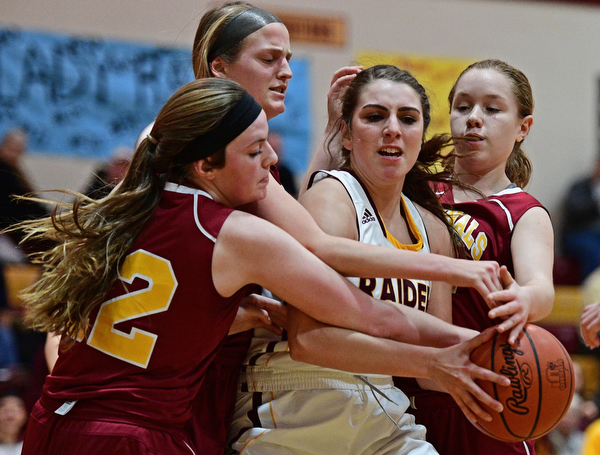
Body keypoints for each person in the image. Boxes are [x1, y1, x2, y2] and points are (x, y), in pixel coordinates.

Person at [16, 78, 504, 455]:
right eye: (255, 152)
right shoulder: (237, 233)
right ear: (205, 166)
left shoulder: (135, 204)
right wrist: (473, 344)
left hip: (55, 419)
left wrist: (231, 314)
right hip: (136, 435)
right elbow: (372, 314)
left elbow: (158, 313)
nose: (271, 160)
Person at [187, 3, 504, 451]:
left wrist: (499, 363)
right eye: (269, 59)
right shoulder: (199, 146)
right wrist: (453, 276)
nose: (287, 73)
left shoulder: (426, 225)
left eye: (408, 119)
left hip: (373, 399)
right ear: (219, 69)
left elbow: (303, 229)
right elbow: (315, 246)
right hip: (273, 388)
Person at [394, 59, 554, 455]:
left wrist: (524, 299)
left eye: (492, 108)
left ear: (523, 128)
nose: (473, 119)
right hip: (400, 393)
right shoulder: (413, 190)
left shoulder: (521, 211)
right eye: (463, 107)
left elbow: (541, 289)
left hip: (482, 401)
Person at [560, 153, 600, 283]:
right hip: (579, 234)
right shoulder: (580, 186)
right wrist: (596, 199)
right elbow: (576, 209)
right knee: (593, 251)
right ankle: (592, 291)